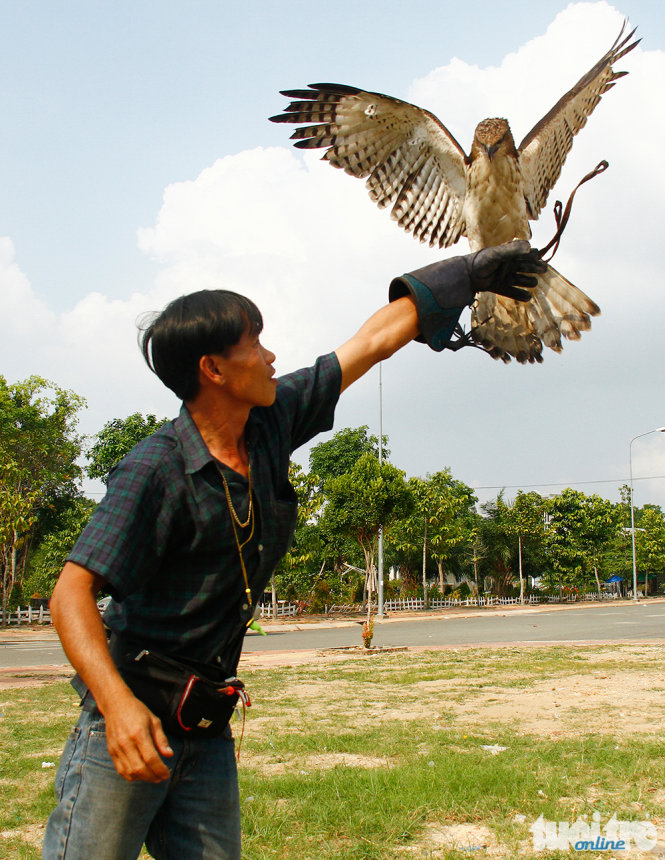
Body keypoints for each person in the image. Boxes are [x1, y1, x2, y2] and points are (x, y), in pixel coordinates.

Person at [43, 241, 545, 860]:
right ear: (214, 370)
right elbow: (70, 594)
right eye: (254, 344)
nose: (271, 355)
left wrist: (467, 274)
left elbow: (370, 343)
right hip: (132, 718)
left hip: (205, 717)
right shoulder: (155, 469)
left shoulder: (270, 421)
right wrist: (116, 708)